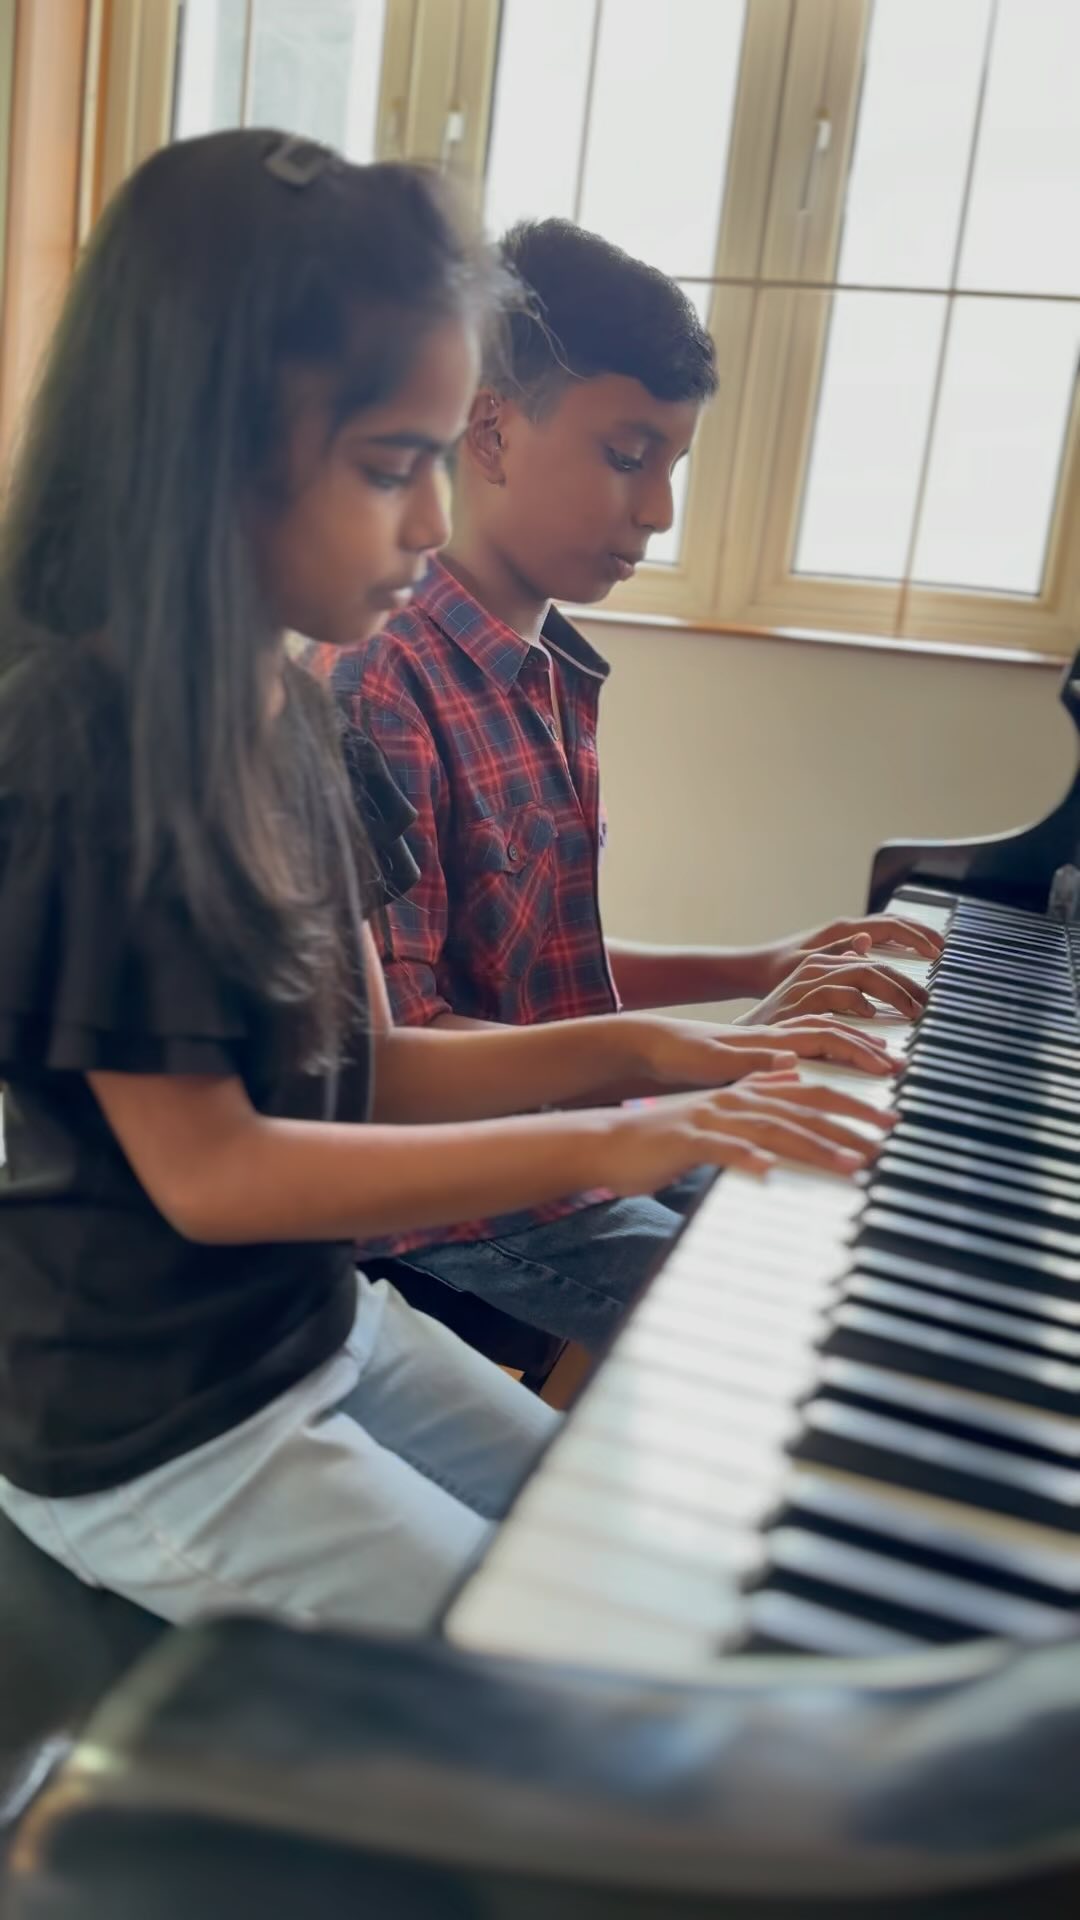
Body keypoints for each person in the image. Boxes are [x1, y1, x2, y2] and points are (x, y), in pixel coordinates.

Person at [0, 135, 891, 1637]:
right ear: (208, 440)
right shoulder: (86, 747)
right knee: (561, 1662)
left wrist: (659, 1052)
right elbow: (216, 1176)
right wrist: (620, 1139)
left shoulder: (292, 712)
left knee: (651, 1575)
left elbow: (374, 1063)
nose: (427, 527)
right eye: (389, 468)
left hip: (320, 1331)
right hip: (151, 1428)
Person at [322, 218, 941, 1346]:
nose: (657, 510)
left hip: (584, 1151)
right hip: (448, 1206)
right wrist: (690, 1063)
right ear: (492, 431)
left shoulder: (546, 666)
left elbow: (529, 978)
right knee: (806, 1330)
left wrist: (762, 968)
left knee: (866, 1226)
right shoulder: (380, 680)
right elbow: (399, 1049)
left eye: (673, 466)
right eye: (627, 455)